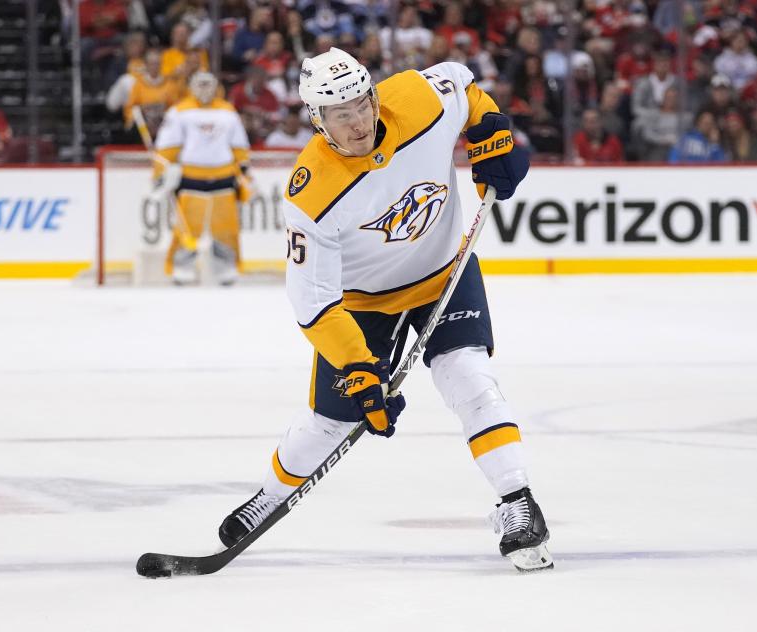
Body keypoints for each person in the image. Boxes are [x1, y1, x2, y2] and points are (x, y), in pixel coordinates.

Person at [217, 48, 552, 572]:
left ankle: (518, 502)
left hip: (445, 270)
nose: (357, 121)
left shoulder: (416, 99)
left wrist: (489, 127)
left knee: (470, 378)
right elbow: (313, 301)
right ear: (317, 119)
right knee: (330, 421)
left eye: (361, 104)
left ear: (374, 95)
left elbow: (465, 90)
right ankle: (268, 495)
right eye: (339, 113)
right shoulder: (311, 193)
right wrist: (357, 367)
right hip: (361, 304)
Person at [151, 72, 251, 285]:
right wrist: (159, 172)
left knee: (225, 228)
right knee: (188, 226)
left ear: (216, 86)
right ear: (191, 86)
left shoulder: (228, 112)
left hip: (224, 176)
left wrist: (246, 174)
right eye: (200, 84)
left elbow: (239, 147)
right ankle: (182, 267)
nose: (204, 89)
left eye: (208, 84)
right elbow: (167, 146)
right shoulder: (179, 112)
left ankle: (226, 268)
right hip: (191, 177)